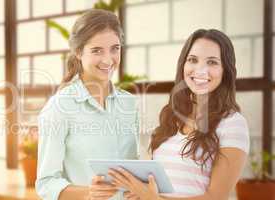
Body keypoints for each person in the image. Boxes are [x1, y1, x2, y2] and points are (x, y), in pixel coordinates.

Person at [94, 29, 250, 200]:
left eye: (212, 62)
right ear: (183, 64)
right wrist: (133, 189)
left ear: (225, 71)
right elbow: (158, 188)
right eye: (193, 60)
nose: (200, 70)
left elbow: (216, 196)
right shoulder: (172, 118)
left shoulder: (232, 123)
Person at [35, 9, 140, 200]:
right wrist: (89, 193)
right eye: (96, 50)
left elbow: (134, 165)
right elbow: (46, 183)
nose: (108, 60)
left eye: (115, 48)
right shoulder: (59, 107)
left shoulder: (129, 103)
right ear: (78, 52)